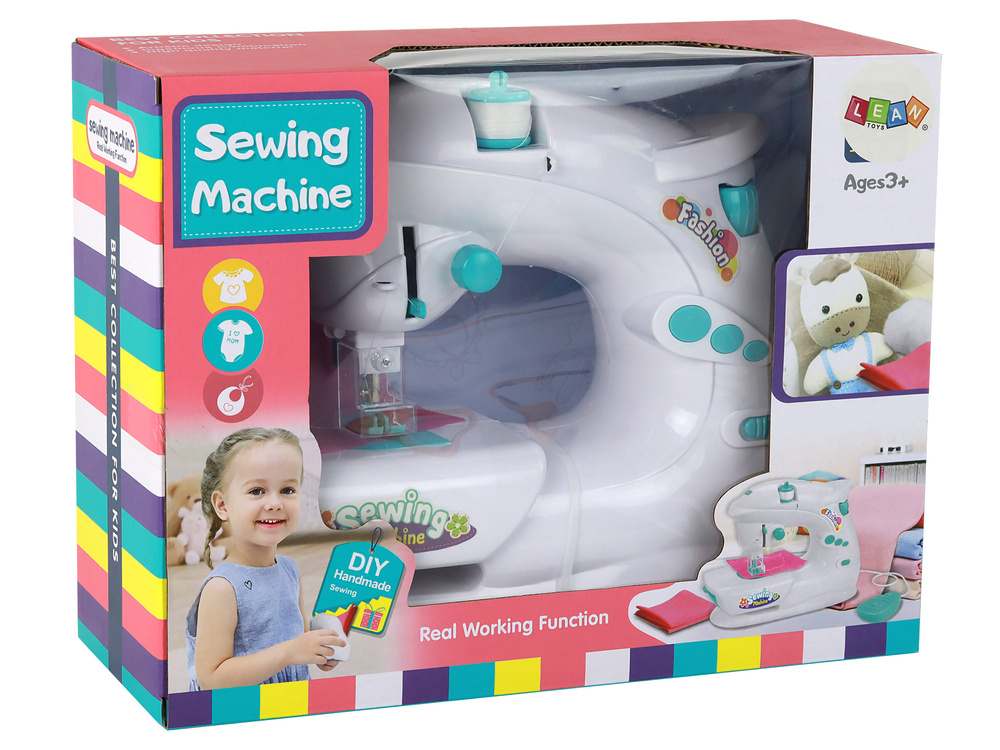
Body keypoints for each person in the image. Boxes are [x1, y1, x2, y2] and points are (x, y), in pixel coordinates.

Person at [185, 427, 343, 690]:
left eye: (287, 490)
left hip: (288, 700)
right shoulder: (222, 588)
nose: (275, 503)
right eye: (257, 491)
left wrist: (318, 649)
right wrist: (290, 652)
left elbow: (296, 637)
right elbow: (211, 679)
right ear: (222, 505)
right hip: (242, 709)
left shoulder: (290, 570)